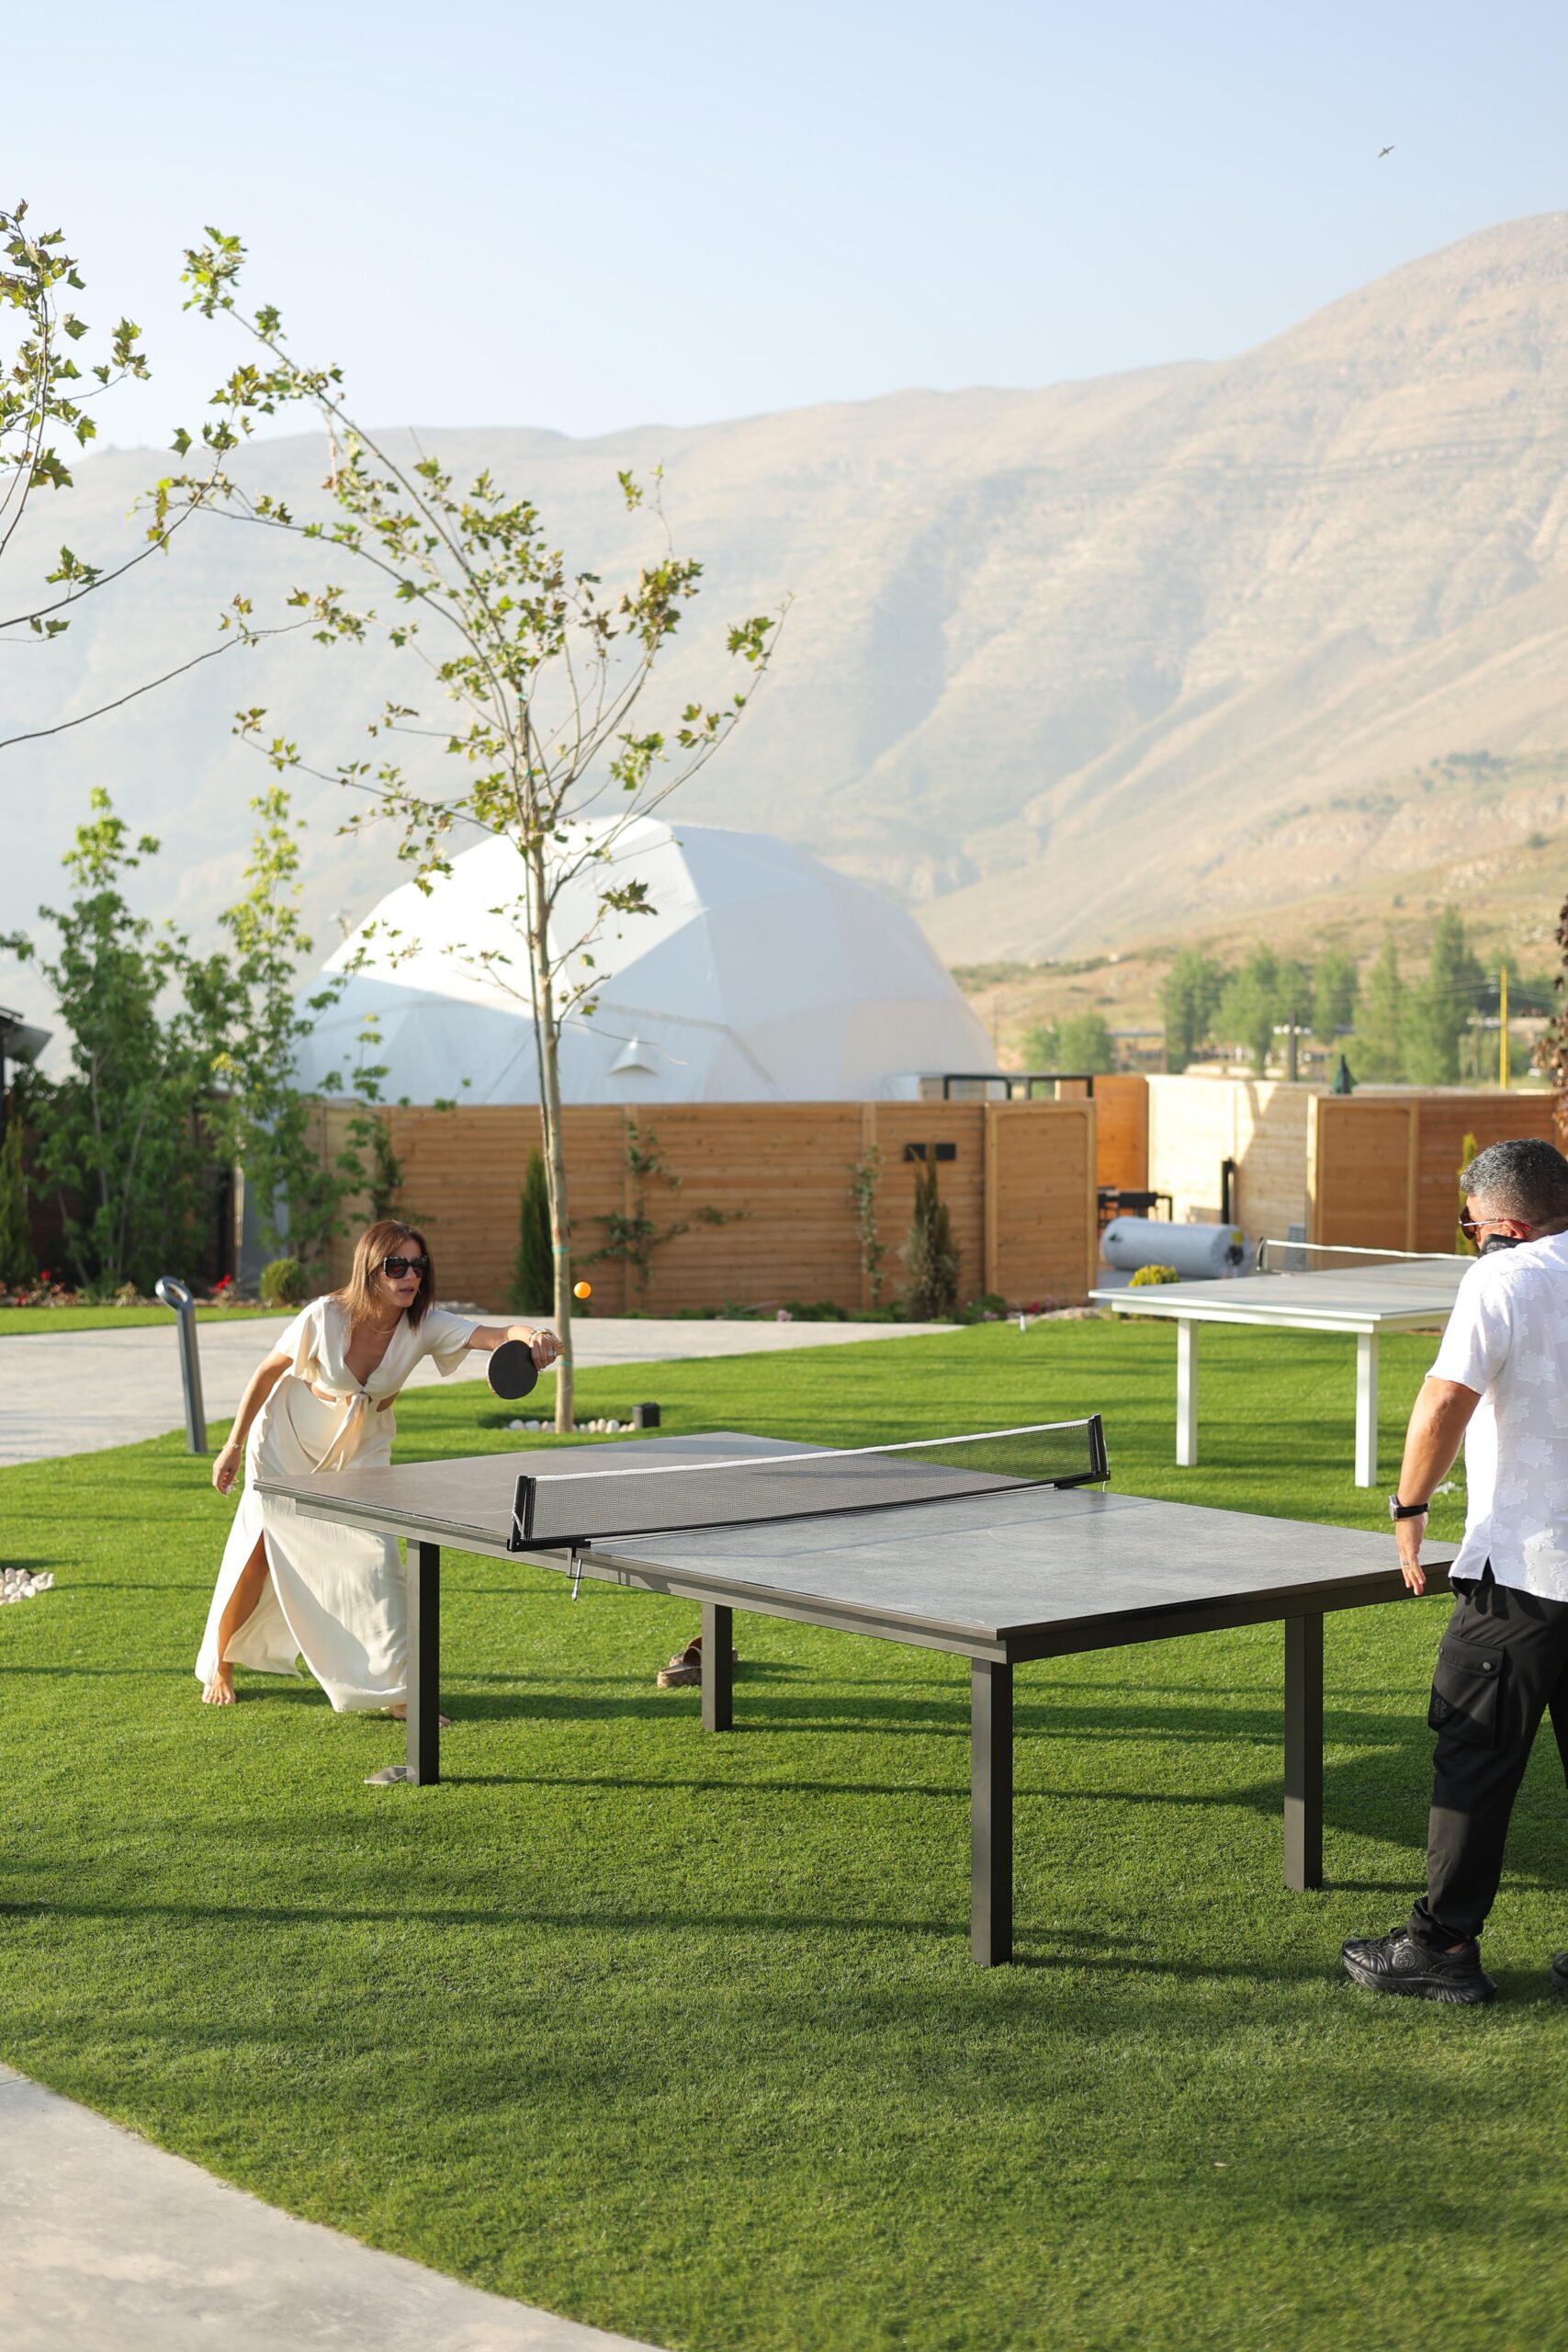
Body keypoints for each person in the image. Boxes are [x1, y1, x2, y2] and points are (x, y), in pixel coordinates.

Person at [1342, 1137, 1568, 2006]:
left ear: (1504, 1224)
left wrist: (1408, 1508)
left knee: (1474, 1755)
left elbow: (1444, 1400)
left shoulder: (1500, 1278)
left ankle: (1438, 1947)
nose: (1471, 1240)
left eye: (1470, 1226)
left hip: (1524, 1571)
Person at [196, 1219, 560, 1714]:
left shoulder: (425, 1324)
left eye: (418, 1265)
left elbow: (498, 1335)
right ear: (370, 1269)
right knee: (258, 1553)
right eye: (396, 1266)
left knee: (379, 1562)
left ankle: (397, 1695)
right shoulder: (324, 1315)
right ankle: (222, 1663)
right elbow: (267, 1372)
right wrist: (233, 1445)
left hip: (362, 1451)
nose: (410, 1276)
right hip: (287, 1441)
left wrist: (535, 1336)